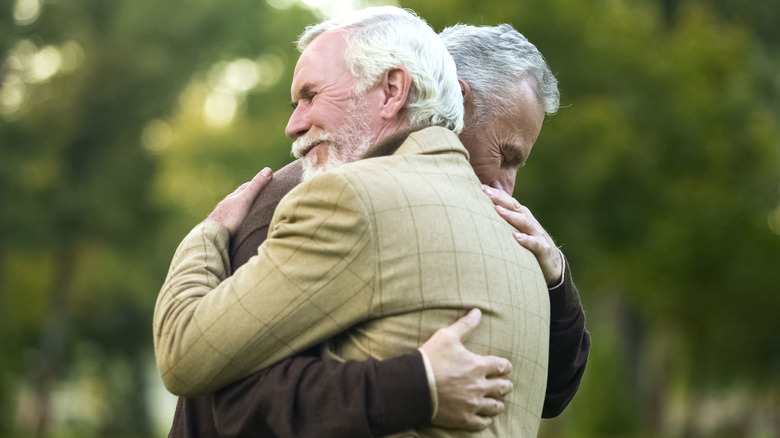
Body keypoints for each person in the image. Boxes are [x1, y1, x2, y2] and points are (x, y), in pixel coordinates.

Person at [155, 7, 551, 438]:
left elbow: (186, 357)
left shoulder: (341, 198)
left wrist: (209, 231)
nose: (293, 125)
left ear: (392, 90)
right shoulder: (527, 253)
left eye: (310, 96)